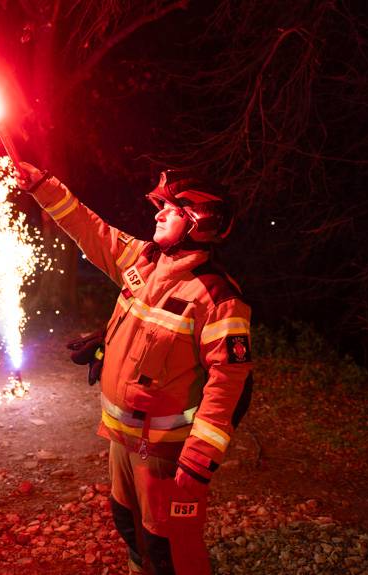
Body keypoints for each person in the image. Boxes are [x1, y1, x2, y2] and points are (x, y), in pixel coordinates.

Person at [18, 164, 254, 575]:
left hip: (165, 452)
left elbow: (229, 382)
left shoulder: (217, 297)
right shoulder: (143, 260)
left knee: (170, 546)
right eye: (160, 207)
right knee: (130, 529)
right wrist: (41, 185)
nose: (158, 214)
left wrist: (197, 461)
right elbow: (90, 229)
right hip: (122, 441)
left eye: (171, 209)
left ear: (199, 221)